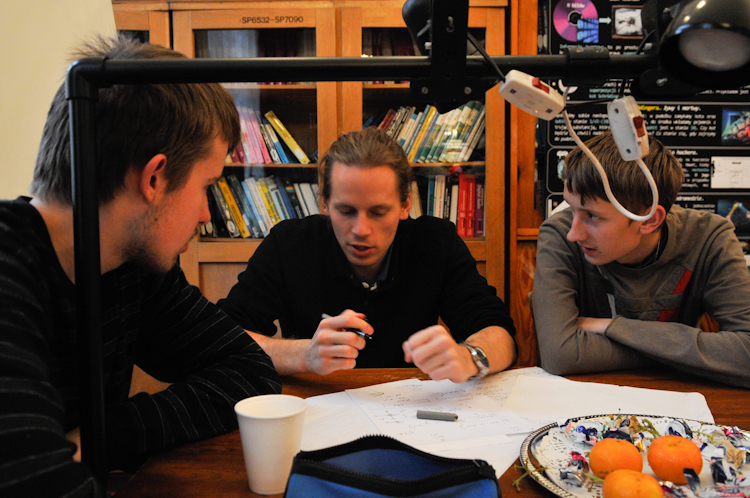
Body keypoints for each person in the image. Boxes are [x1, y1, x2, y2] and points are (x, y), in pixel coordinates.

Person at [0, 35, 281, 497]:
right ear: (154, 178)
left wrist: (100, 438)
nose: (205, 214)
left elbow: (250, 371)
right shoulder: (10, 275)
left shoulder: (131, 266)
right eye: (207, 185)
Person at [218, 127, 516, 382]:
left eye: (378, 212)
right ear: (324, 203)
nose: (361, 230)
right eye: (346, 211)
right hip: (317, 407)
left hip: (411, 412)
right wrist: (304, 355)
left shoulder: (436, 242)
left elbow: (500, 334)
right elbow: (224, 338)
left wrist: (470, 357)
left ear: (405, 205)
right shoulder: (289, 244)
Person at [533, 130, 750, 388]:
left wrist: (611, 327)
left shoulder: (709, 238)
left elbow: (746, 353)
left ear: (649, 220)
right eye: (572, 208)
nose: (573, 233)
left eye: (592, 216)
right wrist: (681, 354)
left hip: (680, 399)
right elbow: (560, 355)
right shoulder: (558, 234)